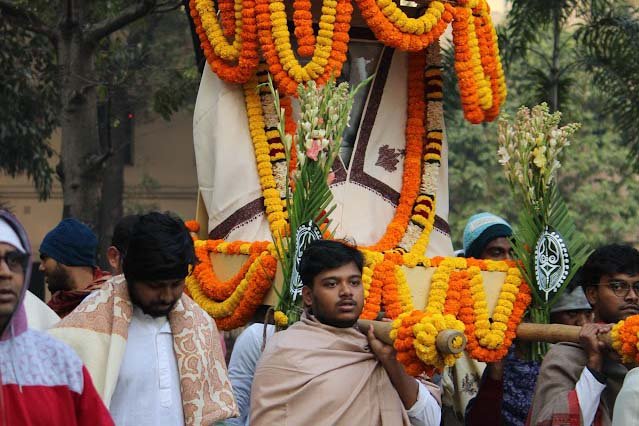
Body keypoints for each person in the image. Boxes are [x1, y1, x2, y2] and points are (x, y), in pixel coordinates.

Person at [50, 212, 238, 425]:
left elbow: (214, 417)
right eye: (155, 286)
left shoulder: (200, 326)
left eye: (176, 284)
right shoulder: (85, 329)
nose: (167, 296)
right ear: (130, 274)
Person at [250, 239, 441, 426]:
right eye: (332, 284)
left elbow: (431, 421)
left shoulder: (380, 345)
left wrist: (391, 362)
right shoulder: (285, 350)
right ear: (308, 296)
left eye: (354, 282)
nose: (346, 291)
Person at [0, 209, 113, 425]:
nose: (4, 272)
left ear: (66, 259)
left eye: (13, 260)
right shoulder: (47, 312)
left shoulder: (61, 359)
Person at [528, 244, 639, 426]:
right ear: (592, 294)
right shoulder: (566, 356)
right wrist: (594, 365)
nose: (632, 296)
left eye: (638, 287)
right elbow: (553, 422)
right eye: (618, 286)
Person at [465, 284, 593, 426]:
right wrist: (496, 373)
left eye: (588, 314)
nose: (582, 322)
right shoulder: (506, 354)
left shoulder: (589, 355)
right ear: (550, 316)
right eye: (572, 314)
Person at [441, 212, 515, 425]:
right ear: (474, 259)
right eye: (496, 252)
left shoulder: (526, 305)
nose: (507, 262)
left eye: (512, 253)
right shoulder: (450, 309)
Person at [40, 218, 111, 317]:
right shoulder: (52, 311)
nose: (41, 267)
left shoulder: (111, 301)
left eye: (45, 258)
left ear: (65, 258)